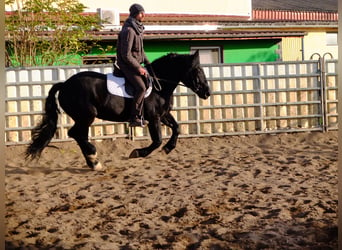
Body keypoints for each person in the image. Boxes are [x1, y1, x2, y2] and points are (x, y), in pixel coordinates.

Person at [116, 3, 150, 127]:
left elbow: (141, 51)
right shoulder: (129, 30)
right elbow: (126, 55)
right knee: (141, 88)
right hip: (127, 65)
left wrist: (148, 63)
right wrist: (138, 68)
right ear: (136, 14)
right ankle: (134, 117)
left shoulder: (138, 29)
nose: (144, 15)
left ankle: (144, 113)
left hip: (135, 64)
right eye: (142, 13)